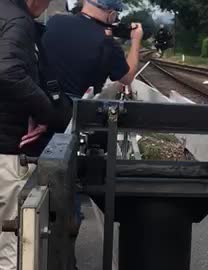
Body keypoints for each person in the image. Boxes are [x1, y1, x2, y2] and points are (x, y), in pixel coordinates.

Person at [0, 0, 54, 268]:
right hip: (7, 146)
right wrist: (44, 112)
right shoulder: (19, 21)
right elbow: (8, 70)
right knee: (10, 243)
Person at [42, 0, 143, 107]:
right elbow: (127, 78)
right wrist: (136, 40)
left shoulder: (54, 21)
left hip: (41, 104)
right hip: (77, 111)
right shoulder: (108, 44)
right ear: (112, 14)